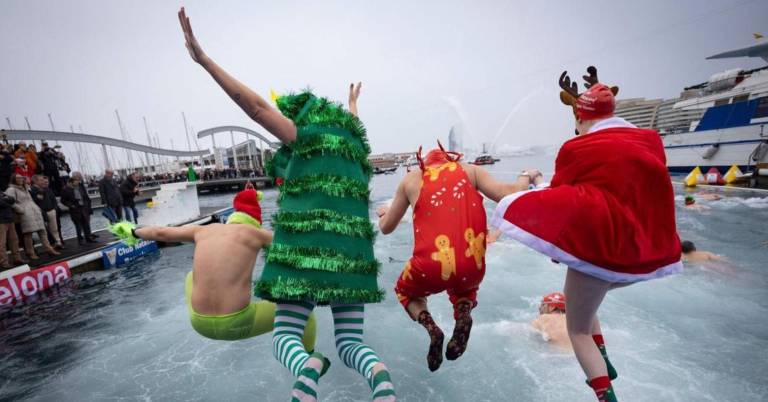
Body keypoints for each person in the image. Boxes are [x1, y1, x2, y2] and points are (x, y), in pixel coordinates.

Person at [179, 8, 394, 401]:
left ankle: (307, 369)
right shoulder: (357, 151)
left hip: (304, 254)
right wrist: (352, 106)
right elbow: (353, 129)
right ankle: (380, 378)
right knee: (350, 345)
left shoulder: (303, 136)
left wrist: (205, 61)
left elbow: (257, 108)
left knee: (286, 338)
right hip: (352, 258)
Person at [491, 67, 682, 402]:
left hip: (600, 252)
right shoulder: (650, 141)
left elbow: (563, 197)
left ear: (581, 117)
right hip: (643, 255)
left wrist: (530, 202)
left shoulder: (576, 148)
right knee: (587, 306)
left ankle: (605, 390)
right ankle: (605, 359)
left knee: (577, 329)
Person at [377, 143, 538, 371]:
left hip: (430, 267)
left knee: (405, 292)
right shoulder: (470, 170)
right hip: (472, 264)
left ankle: (432, 328)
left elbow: (385, 228)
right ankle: (463, 314)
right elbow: (510, 194)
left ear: (424, 162)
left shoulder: (411, 179)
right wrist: (526, 175)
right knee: (465, 290)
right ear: (450, 159)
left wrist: (383, 214)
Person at [110, 185, 318, 347]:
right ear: (255, 221)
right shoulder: (256, 233)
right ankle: (308, 362)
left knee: (191, 275)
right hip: (237, 323)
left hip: (199, 323)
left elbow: (160, 233)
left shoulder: (204, 230)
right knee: (305, 315)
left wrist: (133, 231)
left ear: (232, 219)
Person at [4, 173, 60, 260]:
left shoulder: (26, 188)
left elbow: (31, 200)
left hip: (35, 212)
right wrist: (20, 210)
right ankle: (31, 253)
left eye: (21, 178)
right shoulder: (11, 189)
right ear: (13, 179)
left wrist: (38, 208)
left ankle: (49, 249)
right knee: (28, 234)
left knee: (43, 232)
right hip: (25, 214)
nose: (20, 179)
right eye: (18, 178)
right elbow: (10, 202)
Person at [30, 175, 64, 249]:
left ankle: (58, 243)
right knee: (45, 231)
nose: (43, 182)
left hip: (51, 211)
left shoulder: (47, 189)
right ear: (36, 181)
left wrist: (54, 209)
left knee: (54, 228)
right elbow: (36, 201)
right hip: (41, 212)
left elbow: (53, 200)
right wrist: (40, 193)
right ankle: (49, 246)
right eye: (41, 180)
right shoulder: (32, 190)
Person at [61, 176, 96, 245]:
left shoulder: (80, 188)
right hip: (75, 210)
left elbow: (85, 197)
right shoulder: (66, 190)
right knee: (78, 226)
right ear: (71, 182)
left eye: (78, 181)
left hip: (83, 208)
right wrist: (71, 205)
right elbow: (63, 200)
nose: (78, 182)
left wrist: (87, 205)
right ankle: (80, 240)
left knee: (86, 224)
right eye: (76, 181)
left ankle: (88, 237)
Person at [0, 191, 25, 268]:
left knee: (14, 240)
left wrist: (6, 200)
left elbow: (12, 199)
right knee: (2, 243)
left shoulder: (1, 192)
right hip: (1, 221)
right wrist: (8, 202)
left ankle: (17, 259)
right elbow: (2, 203)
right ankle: (3, 262)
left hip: (9, 219)